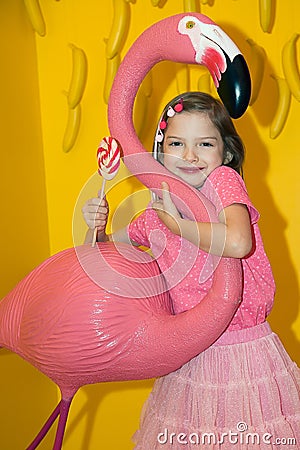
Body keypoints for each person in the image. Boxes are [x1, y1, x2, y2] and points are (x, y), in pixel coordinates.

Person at [82, 92, 300, 448]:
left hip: (243, 356)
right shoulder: (152, 219)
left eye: (205, 144)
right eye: (177, 143)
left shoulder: (222, 182)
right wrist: (99, 228)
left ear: (225, 153)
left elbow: (238, 242)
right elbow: (104, 255)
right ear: (160, 153)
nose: (190, 155)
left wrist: (177, 224)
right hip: (188, 358)